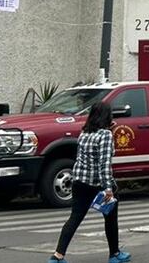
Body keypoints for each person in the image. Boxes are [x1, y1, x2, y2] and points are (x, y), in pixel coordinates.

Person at [48, 101, 130, 263]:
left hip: (79, 181)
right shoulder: (105, 135)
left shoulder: (84, 132)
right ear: (108, 117)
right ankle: (114, 254)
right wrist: (108, 188)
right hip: (97, 183)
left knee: (75, 217)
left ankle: (57, 256)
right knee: (111, 218)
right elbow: (104, 164)